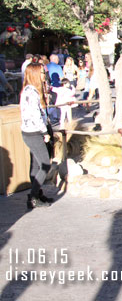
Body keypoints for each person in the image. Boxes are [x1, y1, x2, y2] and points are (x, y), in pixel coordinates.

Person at [20, 63, 54, 209]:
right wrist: (44, 132)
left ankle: (36, 194)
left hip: (30, 132)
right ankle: (33, 197)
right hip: (34, 132)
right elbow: (35, 116)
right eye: (41, 73)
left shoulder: (29, 90)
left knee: (35, 165)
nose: (43, 76)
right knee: (45, 164)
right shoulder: (31, 92)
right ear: (34, 74)